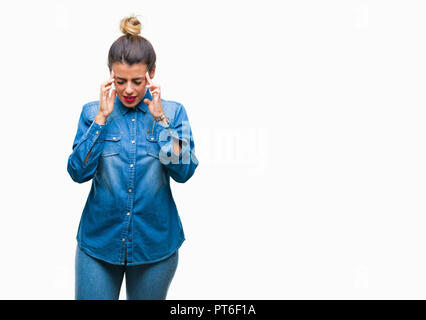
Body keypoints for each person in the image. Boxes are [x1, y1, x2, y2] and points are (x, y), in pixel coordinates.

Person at [67, 15, 199, 300]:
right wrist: (101, 120)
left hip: (155, 246)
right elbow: (77, 172)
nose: (128, 89)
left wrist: (161, 121)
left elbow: (185, 171)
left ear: (151, 73)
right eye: (120, 80)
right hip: (99, 244)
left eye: (137, 81)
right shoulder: (92, 113)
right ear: (110, 75)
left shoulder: (173, 113)